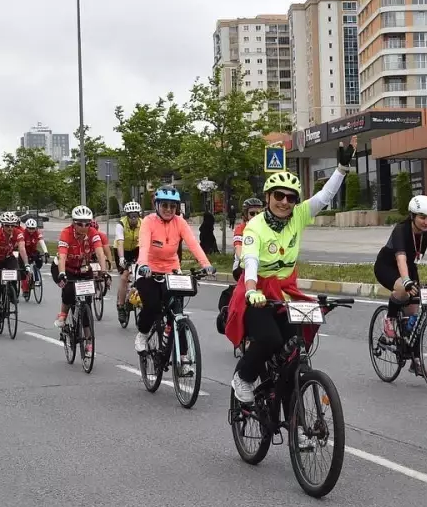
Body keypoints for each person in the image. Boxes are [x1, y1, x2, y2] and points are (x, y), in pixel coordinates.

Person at [227, 137, 356, 411]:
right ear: (267, 198)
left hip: (285, 293)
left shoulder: (298, 216)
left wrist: (342, 169)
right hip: (257, 294)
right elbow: (250, 262)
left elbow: (324, 198)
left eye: (291, 197)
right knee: (270, 339)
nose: (285, 202)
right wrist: (251, 290)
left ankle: (289, 408)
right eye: (279, 196)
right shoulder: (255, 227)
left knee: (295, 346)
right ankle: (243, 377)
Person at [373, 195, 427, 375]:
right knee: (403, 291)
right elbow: (400, 257)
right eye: (422, 217)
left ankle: (414, 359)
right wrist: (405, 281)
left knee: (413, 316)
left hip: (410, 266)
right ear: (412, 216)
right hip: (387, 266)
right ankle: (389, 318)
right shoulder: (401, 229)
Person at [133, 186, 216, 376]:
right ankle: (143, 334)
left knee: (178, 314)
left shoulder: (180, 223)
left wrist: (206, 264)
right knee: (152, 305)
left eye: (172, 206)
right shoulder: (148, 222)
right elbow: (144, 246)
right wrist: (144, 265)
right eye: (165, 205)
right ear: (157, 205)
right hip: (148, 270)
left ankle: (184, 360)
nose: (169, 209)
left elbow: (193, 244)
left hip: (172, 269)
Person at [53, 206, 108, 334]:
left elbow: (100, 253)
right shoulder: (66, 233)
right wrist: (62, 274)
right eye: (80, 224)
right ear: (73, 223)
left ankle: (88, 341)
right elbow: (62, 256)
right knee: (68, 290)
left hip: (82, 268)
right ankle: (63, 316)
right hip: (64, 267)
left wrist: (104, 272)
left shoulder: (93, 232)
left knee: (87, 301)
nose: (84, 227)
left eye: (87, 224)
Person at [216, 196, 263, 334]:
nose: (255, 216)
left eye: (259, 213)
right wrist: (246, 260)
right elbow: (238, 248)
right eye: (252, 213)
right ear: (245, 215)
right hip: (241, 266)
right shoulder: (241, 228)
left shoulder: (265, 228)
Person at [0, 212, 30, 329]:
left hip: (8, 258)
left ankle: (11, 291)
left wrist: (26, 265)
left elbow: (22, 249)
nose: (10, 228)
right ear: (2, 225)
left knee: (15, 271)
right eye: (7, 225)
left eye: (12, 225)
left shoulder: (18, 233)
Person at [114, 201, 143, 321]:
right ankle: (121, 306)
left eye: (136, 215)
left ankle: (135, 297)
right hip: (121, 250)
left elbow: (146, 241)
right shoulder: (121, 224)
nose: (133, 218)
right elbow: (120, 241)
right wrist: (121, 258)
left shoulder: (143, 224)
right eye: (131, 216)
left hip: (136, 248)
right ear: (127, 215)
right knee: (125, 276)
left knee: (141, 275)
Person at [19, 218, 49, 299]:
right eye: (29, 228)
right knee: (23, 271)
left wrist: (46, 252)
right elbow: (21, 246)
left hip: (33, 252)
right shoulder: (23, 234)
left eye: (33, 228)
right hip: (24, 253)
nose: (31, 230)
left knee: (39, 261)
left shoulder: (37, 233)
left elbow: (42, 242)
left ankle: (35, 277)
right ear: (26, 228)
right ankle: (25, 289)